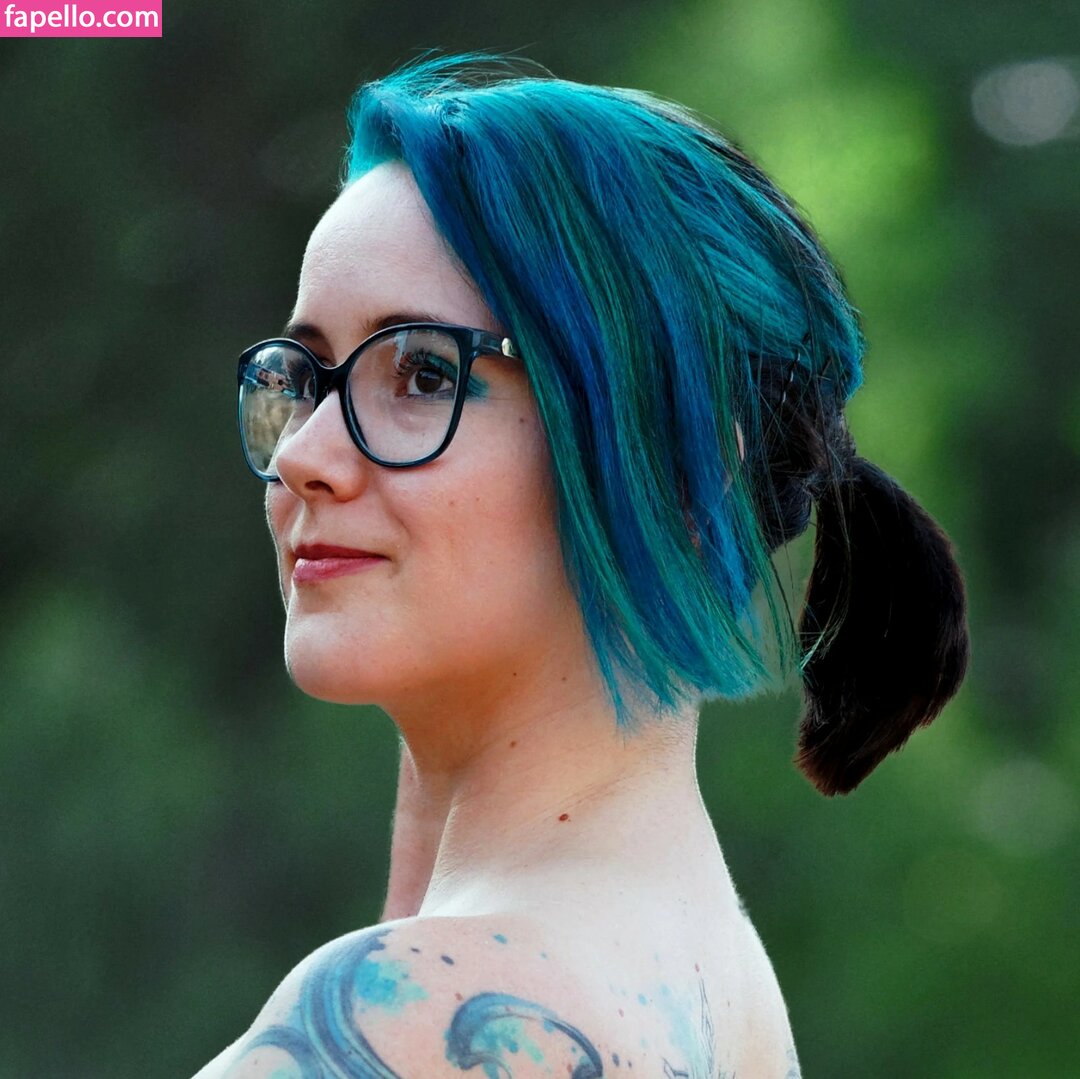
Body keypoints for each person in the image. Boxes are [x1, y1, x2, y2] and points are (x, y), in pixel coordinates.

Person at [200, 51, 969, 1078]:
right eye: (301, 378)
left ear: (682, 459)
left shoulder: (403, 1016)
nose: (304, 452)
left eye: (423, 372)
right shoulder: (715, 978)